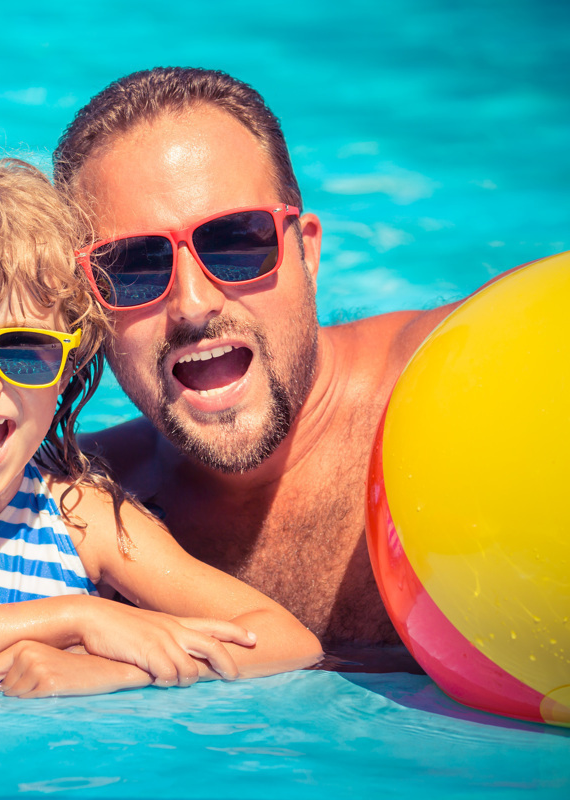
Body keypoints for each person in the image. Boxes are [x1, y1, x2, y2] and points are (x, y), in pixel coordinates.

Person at [0, 160, 321, 698]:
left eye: (24, 351)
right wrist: (76, 619)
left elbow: (287, 640)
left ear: (68, 367)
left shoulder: (80, 520)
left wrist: (120, 670)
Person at [54, 67, 478, 646]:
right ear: (87, 308)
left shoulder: (462, 379)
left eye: (234, 242)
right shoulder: (72, 503)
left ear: (307, 251)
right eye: (133, 266)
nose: (193, 304)